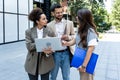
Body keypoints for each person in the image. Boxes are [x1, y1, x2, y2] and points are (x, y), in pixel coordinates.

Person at [62, 9, 98, 80]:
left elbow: (90, 50)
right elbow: (75, 40)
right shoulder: (81, 29)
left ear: (82, 18)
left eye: (78, 16)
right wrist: (66, 43)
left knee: (86, 78)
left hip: (87, 62)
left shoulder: (90, 31)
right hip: (81, 59)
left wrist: (84, 66)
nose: (76, 17)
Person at [24, 8, 54, 80]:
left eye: (46, 18)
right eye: (44, 19)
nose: (46, 20)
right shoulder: (29, 32)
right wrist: (42, 41)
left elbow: (53, 46)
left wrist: (48, 52)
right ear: (37, 21)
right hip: (32, 61)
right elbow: (29, 47)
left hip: (46, 61)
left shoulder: (49, 31)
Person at [47, 3, 75, 80]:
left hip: (66, 53)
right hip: (54, 54)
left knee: (66, 77)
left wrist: (68, 37)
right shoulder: (49, 25)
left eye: (61, 12)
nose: (60, 14)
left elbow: (74, 36)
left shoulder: (69, 23)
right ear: (52, 13)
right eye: (57, 13)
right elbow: (47, 40)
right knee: (53, 77)